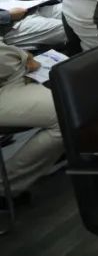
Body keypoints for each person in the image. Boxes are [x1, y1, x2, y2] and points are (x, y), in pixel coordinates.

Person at [0, 40, 64, 203]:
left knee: (72, 87)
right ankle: (5, 186)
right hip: (8, 78)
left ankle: (54, 154)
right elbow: (6, 61)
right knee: (66, 114)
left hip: (11, 74)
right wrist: (23, 58)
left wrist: (22, 58)